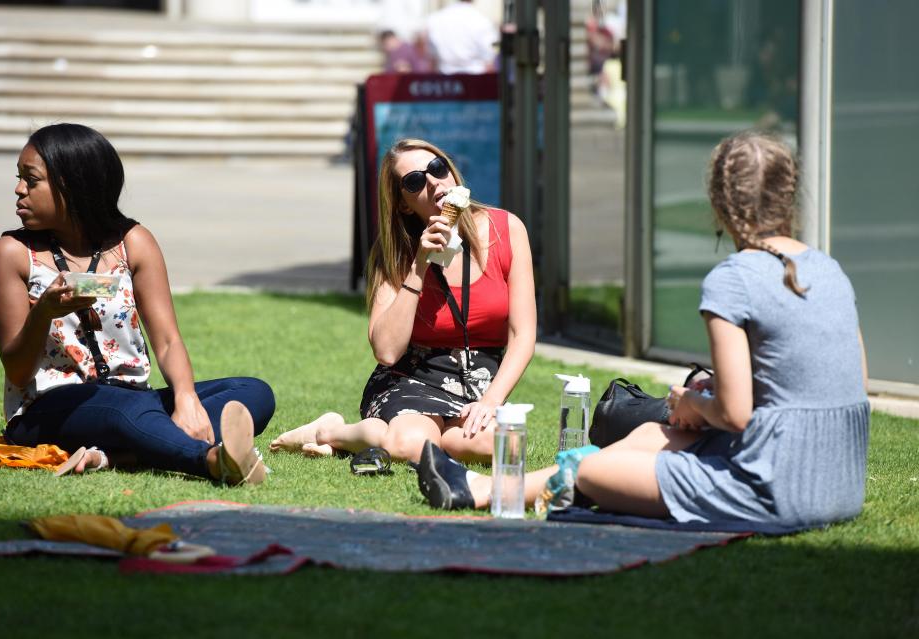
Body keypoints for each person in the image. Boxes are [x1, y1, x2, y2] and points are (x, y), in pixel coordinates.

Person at [417, 132, 871, 529]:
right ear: (789, 195)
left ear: (719, 203)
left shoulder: (734, 278)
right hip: (840, 482)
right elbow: (844, 381)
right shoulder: (828, 269)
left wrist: (690, 400)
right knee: (652, 435)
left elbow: (734, 415)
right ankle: (482, 488)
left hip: (778, 488)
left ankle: (487, 490)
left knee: (595, 474)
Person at [0, 123, 275, 485]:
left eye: (31, 180)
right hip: (48, 411)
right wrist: (43, 312)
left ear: (72, 185)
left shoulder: (134, 242)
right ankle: (211, 460)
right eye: (20, 178)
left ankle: (118, 455)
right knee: (130, 412)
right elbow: (17, 371)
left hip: (134, 399)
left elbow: (167, 340)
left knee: (253, 392)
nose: (18, 189)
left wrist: (186, 400)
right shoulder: (11, 254)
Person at [271, 138, 536, 463]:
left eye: (437, 168)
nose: (433, 182)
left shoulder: (506, 229)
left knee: (494, 447)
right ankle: (332, 431)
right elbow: (386, 351)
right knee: (411, 446)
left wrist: (492, 400)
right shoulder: (397, 253)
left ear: (451, 172)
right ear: (404, 205)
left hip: (479, 381)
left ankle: (409, 436)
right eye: (414, 181)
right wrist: (419, 265)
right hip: (413, 375)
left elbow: (522, 335)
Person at [425, 0, 498, 74]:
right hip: (475, 78)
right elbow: (489, 59)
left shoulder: (435, 19)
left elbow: (432, 60)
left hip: (446, 79)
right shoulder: (482, 20)